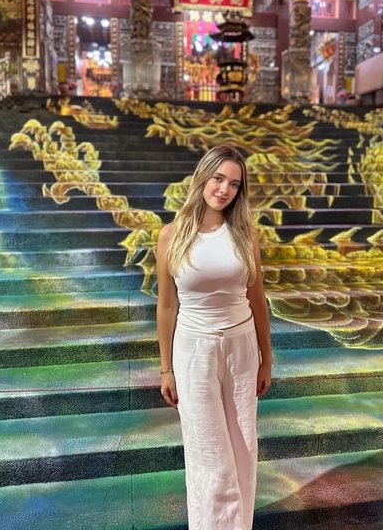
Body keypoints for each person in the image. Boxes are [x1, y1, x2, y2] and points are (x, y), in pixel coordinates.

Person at [156, 144, 272, 530]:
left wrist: (266, 359)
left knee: (243, 450)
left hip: (242, 347)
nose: (224, 190)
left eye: (234, 184)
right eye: (218, 179)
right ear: (202, 178)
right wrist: (166, 369)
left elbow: (257, 299)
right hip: (194, 351)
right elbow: (166, 306)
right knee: (209, 455)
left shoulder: (245, 236)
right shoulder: (171, 236)